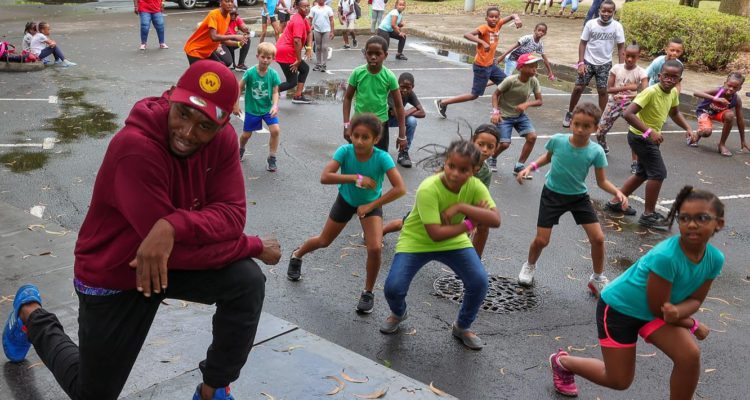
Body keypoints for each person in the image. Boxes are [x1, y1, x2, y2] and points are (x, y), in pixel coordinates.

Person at [1, 60, 281, 400]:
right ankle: (31, 316)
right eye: (182, 114)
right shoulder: (134, 148)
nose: (187, 132)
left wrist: (174, 224)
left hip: (170, 264)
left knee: (246, 283)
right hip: (116, 271)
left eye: (205, 125)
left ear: (223, 123)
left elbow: (232, 214)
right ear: (171, 97)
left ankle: (213, 390)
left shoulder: (221, 141)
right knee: (93, 394)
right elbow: (182, 251)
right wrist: (252, 246)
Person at [549, 186, 725, 399]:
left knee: (689, 356)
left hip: (654, 311)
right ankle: (562, 362)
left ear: (719, 223)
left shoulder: (715, 259)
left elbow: (696, 299)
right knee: (618, 380)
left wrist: (678, 313)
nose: (692, 224)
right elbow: (658, 309)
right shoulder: (666, 257)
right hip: (619, 309)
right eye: (685, 218)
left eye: (702, 218)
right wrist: (692, 324)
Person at [380, 140, 501, 350]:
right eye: (451, 166)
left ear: (474, 170)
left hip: (454, 240)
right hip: (417, 240)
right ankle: (399, 313)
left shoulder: (475, 186)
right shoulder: (429, 188)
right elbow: (435, 234)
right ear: (445, 162)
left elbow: (496, 220)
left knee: (479, 282)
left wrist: (462, 207)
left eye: (463, 170)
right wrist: (470, 223)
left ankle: (462, 326)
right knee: (393, 288)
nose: (455, 173)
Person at [286, 113, 406, 314]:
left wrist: (371, 205)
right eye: (355, 135)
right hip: (346, 200)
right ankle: (297, 255)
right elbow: (325, 177)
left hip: (370, 204)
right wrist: (356, 178)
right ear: (350, 134)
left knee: (375, 247)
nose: (359, 141)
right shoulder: (345, 151)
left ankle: (368, 292)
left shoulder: (382, 157)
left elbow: (400, 189)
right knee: (324, 241)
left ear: (376, 139)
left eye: (365, 137)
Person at [515, 103, 627, 297]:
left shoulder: (596, 151)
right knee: (542, 240)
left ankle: (597, 278)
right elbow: (547, 157)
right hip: (552, 194)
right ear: (571, 122)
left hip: (578, 197)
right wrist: (530, 167)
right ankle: (529, 265)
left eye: (586, 126)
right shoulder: (558, 140)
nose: (580, 129)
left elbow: (601, 181)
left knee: (598, 238)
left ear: (595, 128)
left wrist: (618, 192)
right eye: (576, 124)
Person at [602, 60, 695, 229]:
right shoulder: (650, 92)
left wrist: (688, 128)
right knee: (658, 173)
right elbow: (628, 113)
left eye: (674, 77)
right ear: (659, 76)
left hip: (647, 138)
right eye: (666, 76)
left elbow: (675, 113)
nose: (669, 79)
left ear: (679, 80)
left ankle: (616, 202)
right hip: (641, 137)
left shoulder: (673, 93)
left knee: (642, 173)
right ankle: (648, 215)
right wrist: (649, 132)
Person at [384, 125, 500, 258]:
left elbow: (482, 196)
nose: (484, 149)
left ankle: (474, 259)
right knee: (406, 222)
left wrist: (472, 214)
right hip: (440, 202)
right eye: (481, 144)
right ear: (473, 141)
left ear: (495, 149)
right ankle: (383, 230)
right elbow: (438, 180)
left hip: (463, 203)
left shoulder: (486, 172)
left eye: (490, 146)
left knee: (481, 226)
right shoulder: (457, 158)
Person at [434, 7, 522, 119]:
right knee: (474, 95)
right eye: (491, 17)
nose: (494, 19)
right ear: (486, 18)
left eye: (496, 17)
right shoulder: (484, 28)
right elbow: (467, 35)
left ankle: (500, 110)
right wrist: (482, 42)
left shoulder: (498, 24)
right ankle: (443, 103)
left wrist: (517, 19)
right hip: (481, 66)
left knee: (506, 83)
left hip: (491, 65)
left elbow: (513, 15)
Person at [563, 0, 624, 128]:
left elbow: (621, 47)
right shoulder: (591, 24)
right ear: (599, 10)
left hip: (605, 64)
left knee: (603, 91)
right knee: (578, 88)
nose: (606, 14)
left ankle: (601, 119)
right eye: (603, 11)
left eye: (609, 11)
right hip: (588, 62)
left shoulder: (617, 26)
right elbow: (583, 43)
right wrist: (581, 63)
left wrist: (621, 68)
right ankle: (570, 113)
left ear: (614, 12)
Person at [343, 35, 406, 153]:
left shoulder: (389, 76)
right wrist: (347, 125)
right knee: (356, 158)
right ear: (365, 53)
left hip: (380, 125)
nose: (373, 57)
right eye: (369, 53)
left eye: (378, 54)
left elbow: (399, 106)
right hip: (359, 123)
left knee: (378, 159)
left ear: (385, 55)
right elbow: (347, 98)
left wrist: (402, 135)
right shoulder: (357, 73)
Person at [489, 53, 544, 175]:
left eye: (535, 66)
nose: (535, 69)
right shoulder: (510, 80)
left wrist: (527, 104)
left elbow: (540, 101)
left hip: (520, 115)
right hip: (504, 116)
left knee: (532, 137)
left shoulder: (534, 81)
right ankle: (492, 157)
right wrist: (495, 112)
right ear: (521, 68)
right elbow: (495, 95)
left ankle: (519, 165)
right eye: (531, 66)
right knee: (504, 144)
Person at [234, 42, 282, 172]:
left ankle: (272, 157)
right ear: (257, 56)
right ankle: (241, 149)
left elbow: (275, 92)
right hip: (253, 109)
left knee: (275, 130)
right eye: (263, 57)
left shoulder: (273, 74)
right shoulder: (250, 73)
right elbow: (239, 87)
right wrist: (236, 105)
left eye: (269, 58)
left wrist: (275, 105)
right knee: (246, 135)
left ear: (273, 59)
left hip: (267, 109)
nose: (265, 60)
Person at [595, 41, 648, 157]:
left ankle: (639, 157)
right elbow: (609, 89)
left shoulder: (641, 72)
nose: (629, 59)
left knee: (642, 131)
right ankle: (603, 148)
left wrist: (627, 96)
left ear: (638, 57)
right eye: (627, 56)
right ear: (623, 54)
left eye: (633, 57)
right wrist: (629, 87)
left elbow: (645, 94)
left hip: (631, 105)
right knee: (600, 132)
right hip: (614, 103)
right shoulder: (616, 68)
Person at [692, 72, 747, 156]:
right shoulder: (718, 91)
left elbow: (740, 120)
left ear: (739, 88)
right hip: (704, 112)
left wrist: (743, 140)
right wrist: (716, 98)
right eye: (729, 85)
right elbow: (696, 93)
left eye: (735, 87)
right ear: (725, 83)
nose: (731, 89)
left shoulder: (736, 99)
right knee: (706, 133)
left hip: (718, 114)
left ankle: (722, 144)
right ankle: (698, 133)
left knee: (730, 115)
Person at [184, 0, 248, 65]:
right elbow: (214, 37)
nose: (229, 4)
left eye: (231, 2)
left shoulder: (228, 17)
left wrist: (238, 44)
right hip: (195, 50)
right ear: (220, 2)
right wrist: (235, 36)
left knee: (221, 67)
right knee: (203, 71)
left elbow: (222, 40)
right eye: (227, 1)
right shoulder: (214, 14)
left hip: (207, 51)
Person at [276, 0, 314, 104]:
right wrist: (298, 59)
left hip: (287, 51)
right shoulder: (298, 21)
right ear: (297, 7)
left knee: (304, 69)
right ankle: (268, 93)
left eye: (308, 6)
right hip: (286, 52)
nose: (307, 8)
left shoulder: (302, 18)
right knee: (291, 82)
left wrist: (309, 48)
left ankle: (298, 95)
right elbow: (297, 41)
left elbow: (309, 32)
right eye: (304, 6)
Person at [388, 72, 425, 168]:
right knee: (381, 149)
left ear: (412, 87)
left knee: (412, 121)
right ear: (397, 85)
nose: (405, 90)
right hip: (383, 120)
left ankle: (403, 153)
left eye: (408, 88)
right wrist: (413, 109)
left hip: (396, 118)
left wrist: (406, 113)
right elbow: (398, 115)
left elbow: (422, 113)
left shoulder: (410, 94)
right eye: (402, 87)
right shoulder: (392, 93)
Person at [310, 0, 335, 72]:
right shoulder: (313, 9)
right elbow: (310, 20)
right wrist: (309, 28)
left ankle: (324, 64)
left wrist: (332, 31)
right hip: (317, 30)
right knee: (318, 47)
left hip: (326, 30)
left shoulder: (328, 9)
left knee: (324, 47)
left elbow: (331, 20)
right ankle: (318, 64)